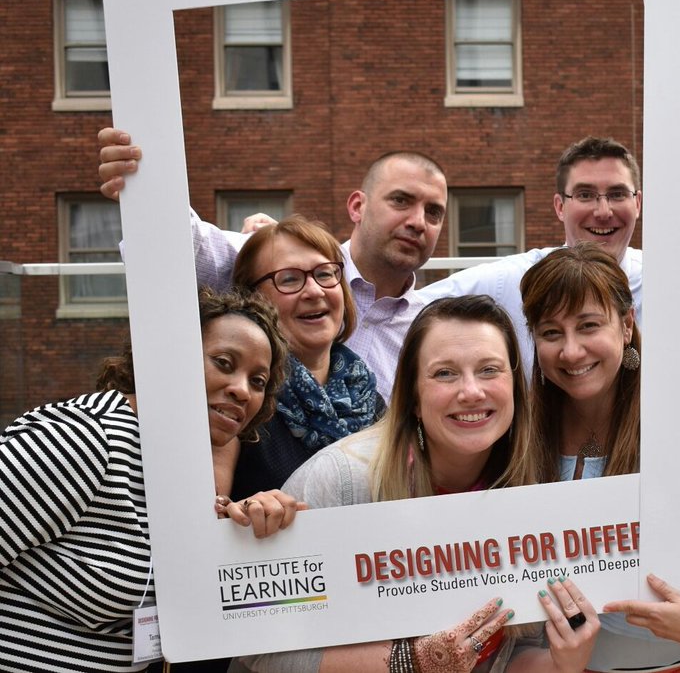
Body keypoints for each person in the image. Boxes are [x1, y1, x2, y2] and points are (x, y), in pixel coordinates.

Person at [235, 295, 598, 673]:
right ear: (412, 398)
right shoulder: (340, 480)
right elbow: (258, 643)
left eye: (490, 370)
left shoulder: (528, 492)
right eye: (445, 373)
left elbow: (509, 656)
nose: (471, 391)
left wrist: (562, 662)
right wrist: (405, 663)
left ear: (514, 387)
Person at [0, 288, 299, 672]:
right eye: (224, 362)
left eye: (258, 381)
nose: (242, 389)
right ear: (171, 354)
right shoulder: (86, 441)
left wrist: (242, 533)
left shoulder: (180, 467)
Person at [520, 245, 680, 672]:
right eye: (551, 332)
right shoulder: (518, 432)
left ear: (627, 324)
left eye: (589, 325)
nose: (571, 351)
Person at [97, 128, 448, 399]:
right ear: (357, 206)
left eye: (434, 212)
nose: (418, 221)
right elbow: (183, 243)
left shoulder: (431, 330)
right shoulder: (273, 258)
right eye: (401, 201)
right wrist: (141, 174)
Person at [417, 136, 644, 373]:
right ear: (560, 207)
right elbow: (407, 312)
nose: (603, 211)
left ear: (637, 203)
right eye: (585, 195)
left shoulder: (665, 284)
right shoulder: (513, 281)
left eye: (618, 194)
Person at [225, 214, 386, 499]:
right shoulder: (241, 400)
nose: (314, 291)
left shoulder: (371, 401)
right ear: (252, 297)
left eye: (325, 274)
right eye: (289, 279)